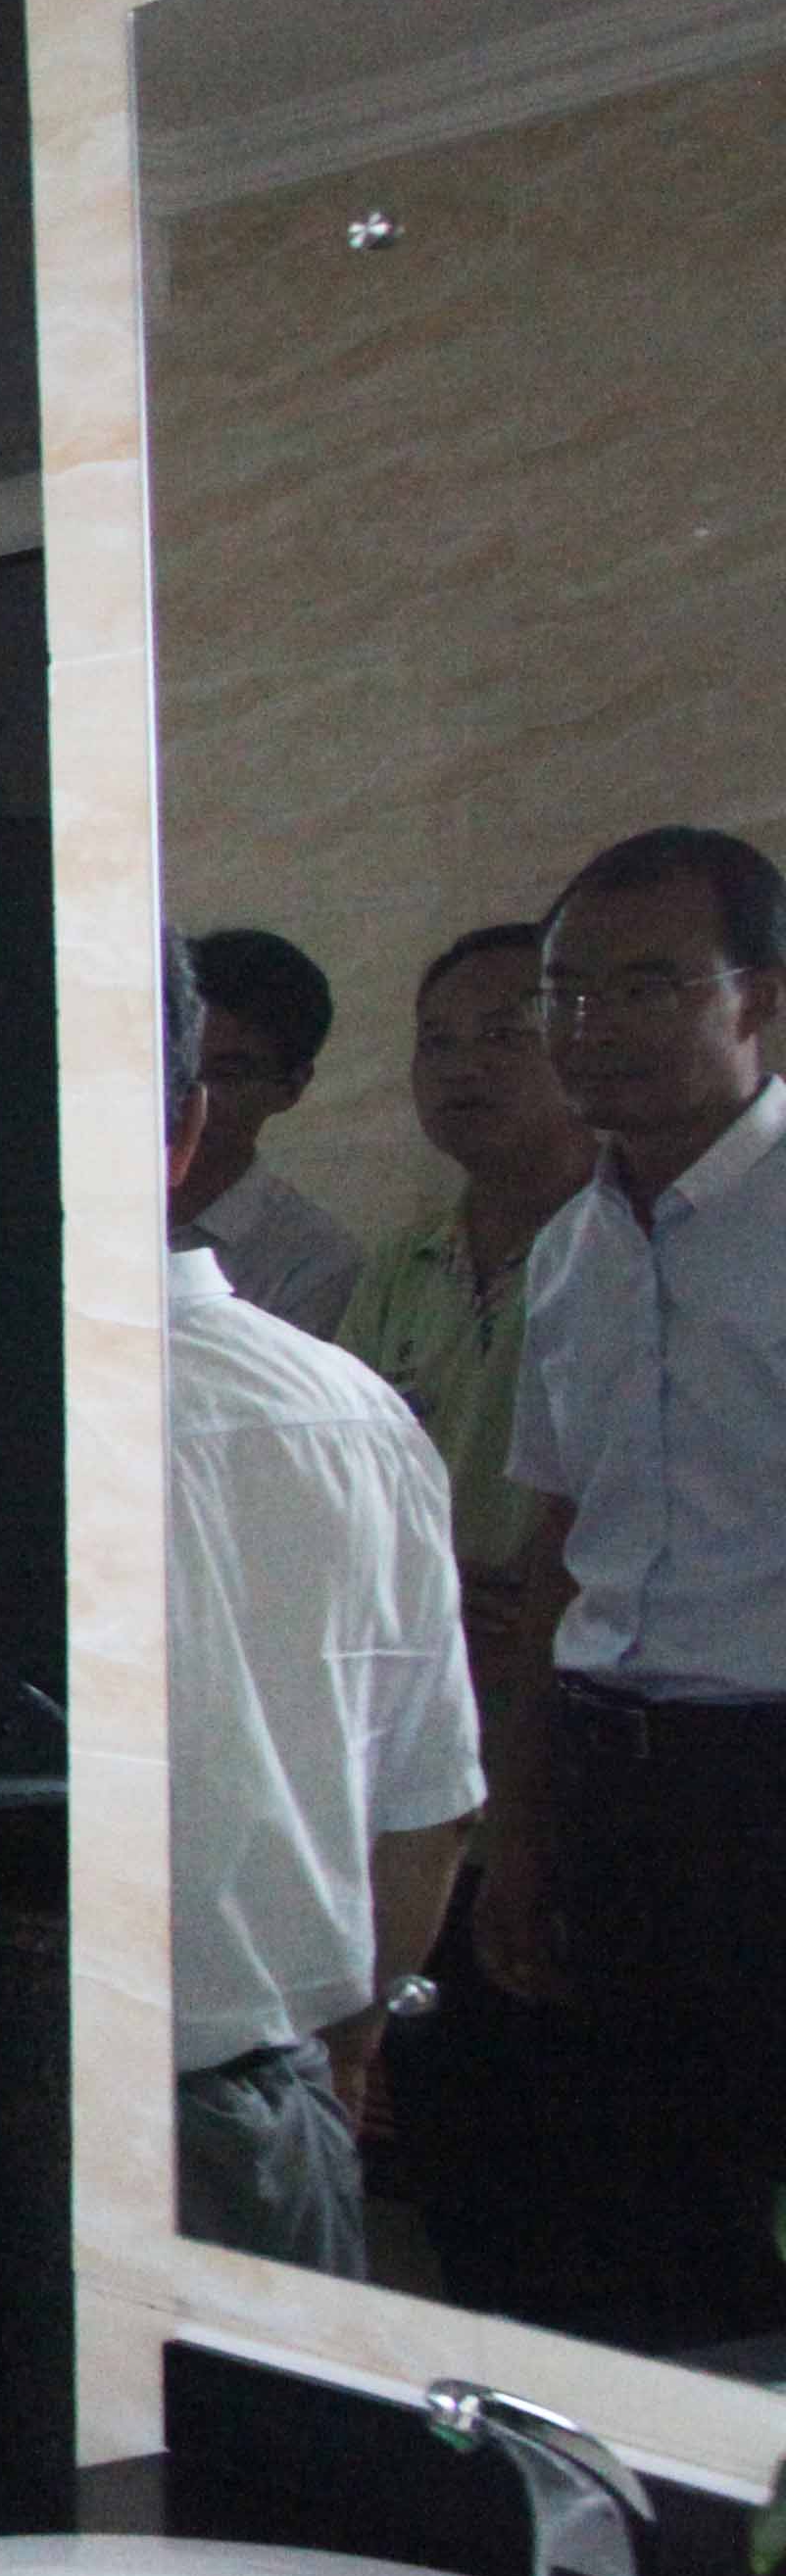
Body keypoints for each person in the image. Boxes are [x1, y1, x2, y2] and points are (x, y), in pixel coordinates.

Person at [479, 824, 786, 2350]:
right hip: (616, 1775)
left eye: (649, 987)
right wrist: (521, 1821)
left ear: (759, 1001)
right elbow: (562, 1547)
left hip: (768, 1770)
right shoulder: (573, 1250)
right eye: (568, 993)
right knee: (632, 2213)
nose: (593, 1026)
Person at [165, 935, 482, 2278]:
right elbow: (428, 1805)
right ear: (188, 1123)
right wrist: (353, 2043)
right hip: (252, 2081)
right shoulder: (348, 1415)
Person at [334, 923, 593, 2307]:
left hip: (564, 1773)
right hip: (406, 1779)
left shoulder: (618, 1253)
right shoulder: (403, 1265)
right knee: (439, 2180)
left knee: (568, 2188)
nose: (463, 1069)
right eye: (438, 1042)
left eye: (504, 1033)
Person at [172, 924, 364, 1335]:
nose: (189, 1098)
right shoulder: (88, 1209)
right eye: (175, 1065)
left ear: (291, 1087)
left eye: (228, 1075)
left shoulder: (313, 1260)